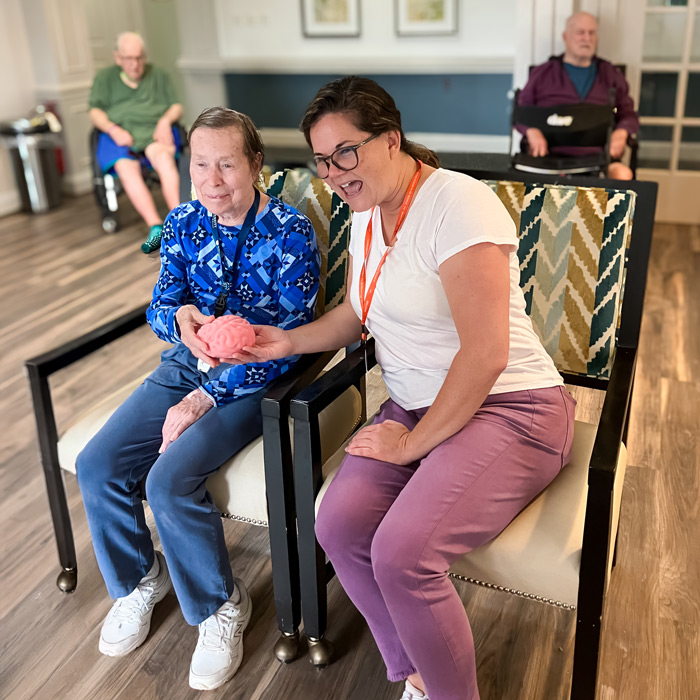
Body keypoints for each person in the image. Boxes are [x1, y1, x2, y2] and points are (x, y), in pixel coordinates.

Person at [231, 76, 576, 700]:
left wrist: (411, 444)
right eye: (321, 159)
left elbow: (487, 354)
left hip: (513, 410)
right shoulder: (365, 214)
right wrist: (286, 340)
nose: (333, 173)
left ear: (391, 140)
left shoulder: (457, 203)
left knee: (401, 553)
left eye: (347, 152)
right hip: (415, 406)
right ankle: (417, 671)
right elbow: (358, 312)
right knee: (336, 526)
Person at [75, 107, 320, 691]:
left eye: (228, 164)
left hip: (252, 381)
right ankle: (139, 581)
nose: (213, 179)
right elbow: (160, 304)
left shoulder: (290, 232)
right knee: (98, 464)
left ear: (256, 164)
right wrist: (179, 316)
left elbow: (291, 344)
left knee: (167, 481)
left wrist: (206, 396)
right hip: (185, 365)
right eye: (201, 165)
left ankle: (220, 606)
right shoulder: (184, 222)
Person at [89, 31, 184, 252]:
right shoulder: (105, 78)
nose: (135, 64)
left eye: (139, 57)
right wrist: (113, 129)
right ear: (118, 58)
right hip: (119, 133)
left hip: (153, 131)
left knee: (163, 158)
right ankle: (156, 226)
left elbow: (176, 106)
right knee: (125, 167)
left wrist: (164, 121)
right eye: (129, 58)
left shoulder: (158, 74)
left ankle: (180, 223)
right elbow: (94, 112)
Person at [517, 11, 640, 180]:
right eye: (580, 32)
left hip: (598, 158)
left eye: (592, 33)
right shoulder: (542, 73)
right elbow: (520, 112)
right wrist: (531, 131)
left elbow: (629, 115)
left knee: (624, 175)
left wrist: (622, 132)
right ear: (566, 36)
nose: (586, 38)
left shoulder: (611, 74)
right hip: (548, 157)